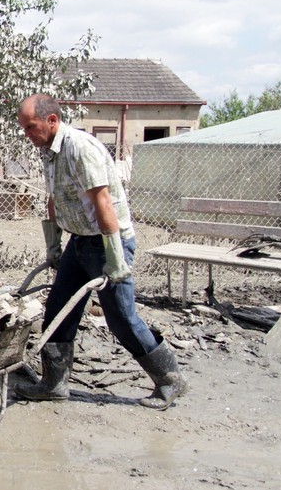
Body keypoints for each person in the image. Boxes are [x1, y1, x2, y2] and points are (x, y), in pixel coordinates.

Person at [14, 93, 188, 410]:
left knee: (121, 317)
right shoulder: (48, 151)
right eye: (24, 128)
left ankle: (169, 379)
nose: (26, 134)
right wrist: (54, 244)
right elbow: (54, 196)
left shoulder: (81, 148)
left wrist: (115, 258)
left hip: (107, 242)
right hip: (79, 242)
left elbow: (103, 201)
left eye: (30, 127)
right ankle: (54, 383)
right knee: (57, 309)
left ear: (51, 121)